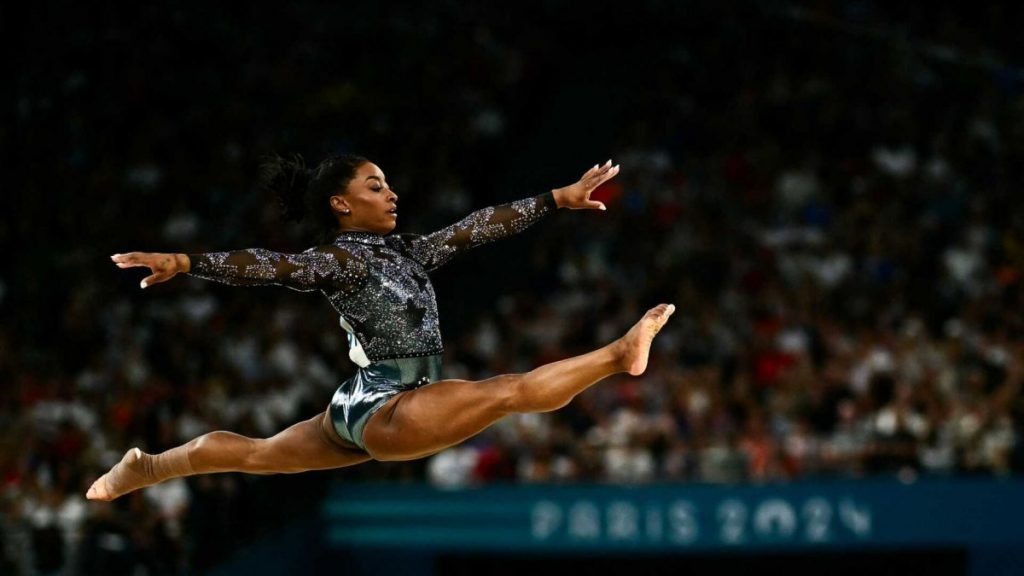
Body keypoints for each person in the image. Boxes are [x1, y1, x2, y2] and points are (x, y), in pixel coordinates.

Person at [87, 154, 675, 500]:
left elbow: (477, 227)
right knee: (507, 392)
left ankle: (148, 467)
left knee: (259, 453)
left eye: (388, 183)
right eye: (374, 185)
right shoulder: (336, 259)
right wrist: (188, 262)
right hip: (388, 404)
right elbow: (272, 265)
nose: (390, 192)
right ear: (340, 205)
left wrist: (555, 199)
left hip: (358, 403)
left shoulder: (409, 251)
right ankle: (617, 356)